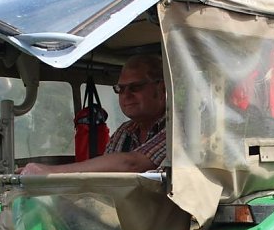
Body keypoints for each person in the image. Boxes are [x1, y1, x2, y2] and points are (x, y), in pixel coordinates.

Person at [17, 54, 166, 174]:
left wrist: (50, 172)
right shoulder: (124, 132)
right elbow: (104, 175)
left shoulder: (177, 129)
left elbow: (132, 163)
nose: (126, 95)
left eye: (135, 87)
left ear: (162, 88)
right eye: (120, 89)